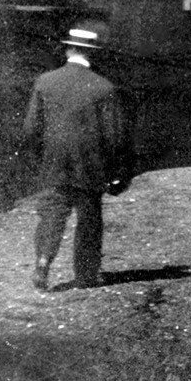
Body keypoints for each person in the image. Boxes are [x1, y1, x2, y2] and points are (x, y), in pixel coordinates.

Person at [25, 19, 134, 292]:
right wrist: (119, 171)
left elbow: (30, 130)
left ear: (68, 51)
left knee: (52, 214)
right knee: (89, 217)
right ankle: (86, 274)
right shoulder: (104, 88)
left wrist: (40, 157)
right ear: (93, 53)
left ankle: (42, 263)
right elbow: (115, 136)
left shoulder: (45, 82)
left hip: (54, 162)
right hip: (90, 164)